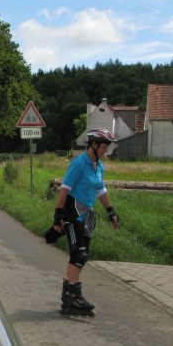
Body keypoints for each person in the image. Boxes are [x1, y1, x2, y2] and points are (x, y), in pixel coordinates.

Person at [51, 128, 119, 315]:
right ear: (94, 145)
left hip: (86, 214)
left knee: (82, 255)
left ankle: (69, 294)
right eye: (104, 146)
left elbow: (100, 190)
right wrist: (58, 216)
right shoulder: (79, 163)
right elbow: (64, 189)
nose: (106, 150)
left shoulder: (98, 165)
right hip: (72, 213)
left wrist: (111, 212)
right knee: (78, 254)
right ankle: (73, 297)